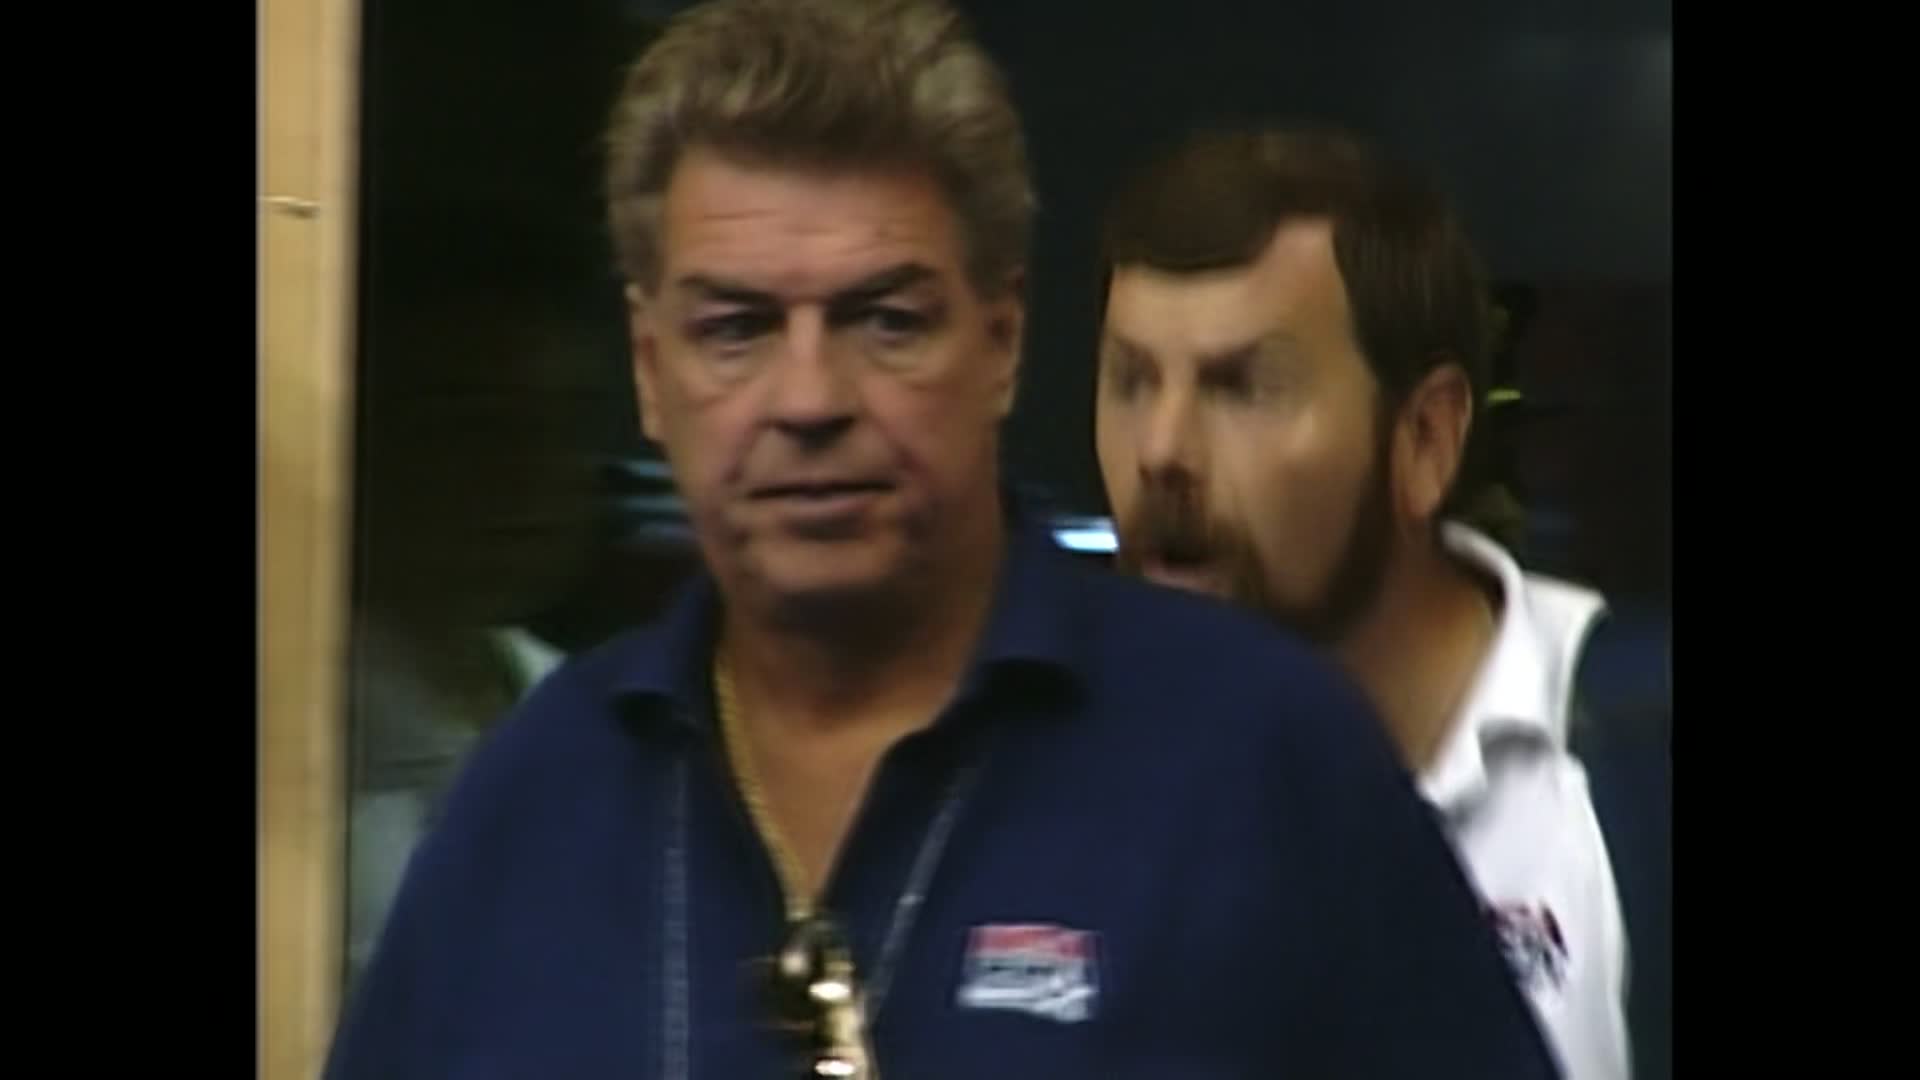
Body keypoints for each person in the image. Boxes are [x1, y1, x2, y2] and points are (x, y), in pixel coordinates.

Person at [324, 5, 1562, 1077]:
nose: (810, 399)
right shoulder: (535, 795)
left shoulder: (1260, 760)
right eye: (736, 329)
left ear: (1002, 343)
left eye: (886, 321)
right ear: (652, 374)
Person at [1094, 126, 1657, 1080]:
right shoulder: (1045, 764)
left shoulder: (1629, 752)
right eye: (1132, 382)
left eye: (1244, 386)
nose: (1161, 451)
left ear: (1426, 439)